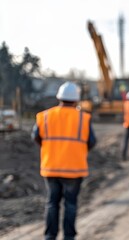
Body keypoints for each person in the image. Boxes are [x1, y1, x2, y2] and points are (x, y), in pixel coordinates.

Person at [32, 81, 97, 240]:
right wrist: (78, 150)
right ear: (76, 99)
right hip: (74, 169)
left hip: (51, 167)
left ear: (59, 97)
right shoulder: (84, 118)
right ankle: (69, 237)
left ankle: (50, 236)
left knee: (52, 203)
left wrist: (49, 148)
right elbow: (92, 141)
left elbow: (36, 136)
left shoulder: (45, 116)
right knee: (70, 204)